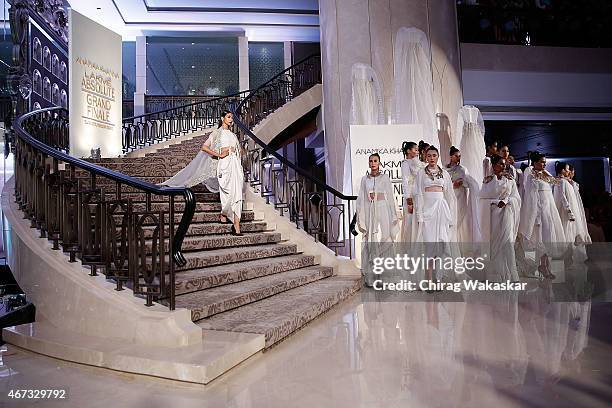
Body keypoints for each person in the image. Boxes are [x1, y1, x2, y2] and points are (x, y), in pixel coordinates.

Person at [161, 110, 244, 236]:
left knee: (237, 194)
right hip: (224, 166)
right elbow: (204, 147)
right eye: (228, 117)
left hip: (235, 166)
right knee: (228, 193)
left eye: (232, 117)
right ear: (222, 118)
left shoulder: (233, 135)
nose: (231, 119)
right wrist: (220, 154)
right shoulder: (216, 133)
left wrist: (237, 151)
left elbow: (239, 151)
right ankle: (224, 213)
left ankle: (236, 226)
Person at [518, 152, 566, 279]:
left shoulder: (545, 173)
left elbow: (557, 183)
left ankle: (544, 265)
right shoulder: (530, 174)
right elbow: (530, 193)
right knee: (541, 239)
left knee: (548, 238)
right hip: (538, 211)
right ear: (534, 162)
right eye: (541, 162)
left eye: (545, 162)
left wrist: (545, 175)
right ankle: (543, 266)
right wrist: (535, 215)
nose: (544, 164)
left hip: (548, 210)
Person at [414, 146, 457, 285]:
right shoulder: (421, 173)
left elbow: (450, 195)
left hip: (441, 211)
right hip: (427, 211)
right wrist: (420, 214)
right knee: (429, 246)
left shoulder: (444, 173)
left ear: (438, 157)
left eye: (434, 155)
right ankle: (428, 279)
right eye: (429, 155)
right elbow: (418, 194)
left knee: (440, 245)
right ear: (425, 157)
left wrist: (450, 214)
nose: (432, 158)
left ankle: (438, 278)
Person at [479, 155, 521, 282]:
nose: (504, 167)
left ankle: (512, 276)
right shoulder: (487, 181)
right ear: (494, 165)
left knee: (508, 243)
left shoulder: (510, 180)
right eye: (501, 164)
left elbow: (516, 198)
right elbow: (481, 199)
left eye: (504, 164)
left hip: (506, 214)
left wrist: (506, 200)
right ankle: (494, 276)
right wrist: (495, 201)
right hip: (492, 217)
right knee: (493, 245)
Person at [356, 153, 399, 244]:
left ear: (379, 163)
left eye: (375, 161)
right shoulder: (365, 179)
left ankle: (385, 256)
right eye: (371, 161)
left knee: (386, 232)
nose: (373, 163)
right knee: (371, 232)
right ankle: (373, 256)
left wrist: (393, 212)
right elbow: (362, 197)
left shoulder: (385, 177)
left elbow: (390, 195)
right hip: (370, 207)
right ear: (368, 163)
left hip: (383, 206)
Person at [446, 146, 481, 247]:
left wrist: (462, 183)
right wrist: (452, 184)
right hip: (449, 197)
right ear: (451, 156)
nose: (458, 158)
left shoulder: (462, 169)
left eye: (460, 156)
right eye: (456, 156)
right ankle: (450, 244)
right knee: (450, 218)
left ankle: (458, 244)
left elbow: (469, 182)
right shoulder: (445, 169)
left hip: (460, 197)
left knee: (459, 219)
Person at [400, 141, 424, 242]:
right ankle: (409, 249)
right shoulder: (405, 163)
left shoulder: (417, 162)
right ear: (409, 151)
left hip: (419, 194)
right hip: (411, 196)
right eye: (415, 149)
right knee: (410, 222)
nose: (417, 151)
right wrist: (408, 199)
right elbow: (405, 181)